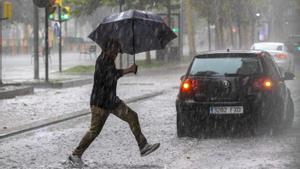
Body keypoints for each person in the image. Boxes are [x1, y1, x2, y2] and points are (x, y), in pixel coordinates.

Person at [68, 39, 160, 167]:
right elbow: (111, 77)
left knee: (132, 116)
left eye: (118, 50)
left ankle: (143, 146)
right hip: (100, 103)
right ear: (107, 49)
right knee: (94, 131)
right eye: (115, 50)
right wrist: (129, 70)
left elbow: (112, 76)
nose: (117, 53)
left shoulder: (109, 60)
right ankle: (76, 154)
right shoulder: (102, 61)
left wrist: (127, 69)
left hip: (112, 101)